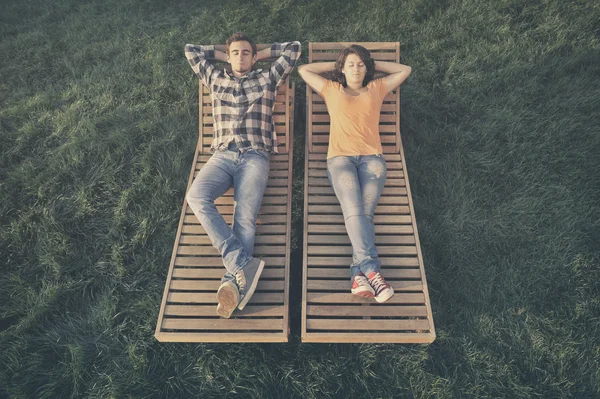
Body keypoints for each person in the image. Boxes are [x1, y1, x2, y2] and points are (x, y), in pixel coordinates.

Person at [184, 33, 301, 318]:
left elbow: (294, 49)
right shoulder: (214, 78)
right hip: (222, 155)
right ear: (228, 56)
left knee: (244, 217)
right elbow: (191, 50)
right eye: (235, 53)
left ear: (253, 56)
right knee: (196, 196)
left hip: (255, 155)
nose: (240, 56)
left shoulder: (267, 78)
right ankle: (240, 264)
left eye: (245, 53)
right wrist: (224, 54)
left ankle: (232, 281)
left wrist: (260, 53)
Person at [298, 44, 411, 303]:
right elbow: (304, 70)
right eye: (351, 64)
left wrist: (373, 64)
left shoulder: (377, 88)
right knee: (353, 209)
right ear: (342, 68)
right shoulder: (331, 89)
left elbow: (405, 69)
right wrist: (336, 65)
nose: (356, 68)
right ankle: (373, 271)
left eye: (361, 64)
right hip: (340, 160)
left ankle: (357, 276)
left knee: (363, 214)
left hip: (373, 160)